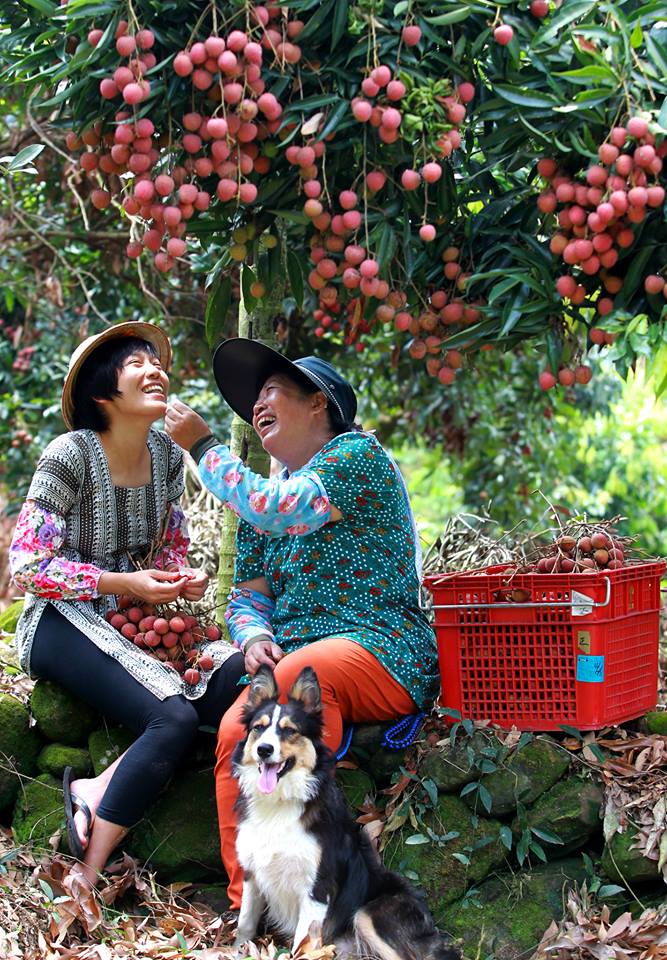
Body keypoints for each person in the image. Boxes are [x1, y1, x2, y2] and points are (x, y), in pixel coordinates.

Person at [165, 337, 439, 909]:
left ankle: (318, 893)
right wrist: (255, 636)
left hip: (380, 647)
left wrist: (204, 446)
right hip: (298, 663)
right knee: (236, 736)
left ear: (318, 403)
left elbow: (276, 506)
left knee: (298, 678)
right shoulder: (268, 499)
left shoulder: (354, 456)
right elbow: (246, 599)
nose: (258, 405)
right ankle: (253, 906)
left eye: (271, 391)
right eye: (255, 398)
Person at [9, 322, 245, 888]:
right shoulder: (68, 455)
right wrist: (126, 583)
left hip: (135, 620)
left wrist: (178, 580)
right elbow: (26, 567)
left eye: (157, 363)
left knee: (240, 674)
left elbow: (170, 546)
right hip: (59, 618)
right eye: (136, 364)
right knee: (173, 717)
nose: (155, 370)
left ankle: (98, 786)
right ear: (102, 392)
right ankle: (88, 876)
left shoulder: (166, 457)